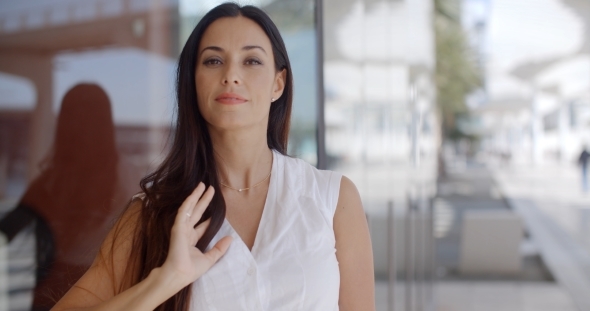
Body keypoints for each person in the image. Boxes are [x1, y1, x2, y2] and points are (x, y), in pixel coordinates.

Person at [53, 3, 375, 310]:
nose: (231, 75)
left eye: (251, 61)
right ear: (193, 82)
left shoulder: (333, 200)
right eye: (213, 61)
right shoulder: (154, 214)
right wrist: (165, 281)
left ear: (278, 84)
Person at [0, 84, 139, 310]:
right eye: (75, 117)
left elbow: (10, 227)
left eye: (86, 118)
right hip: (62, 288)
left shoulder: (55, 178)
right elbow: (10, 227)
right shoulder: (54, 177)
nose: (81, 127)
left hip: (86, 287)